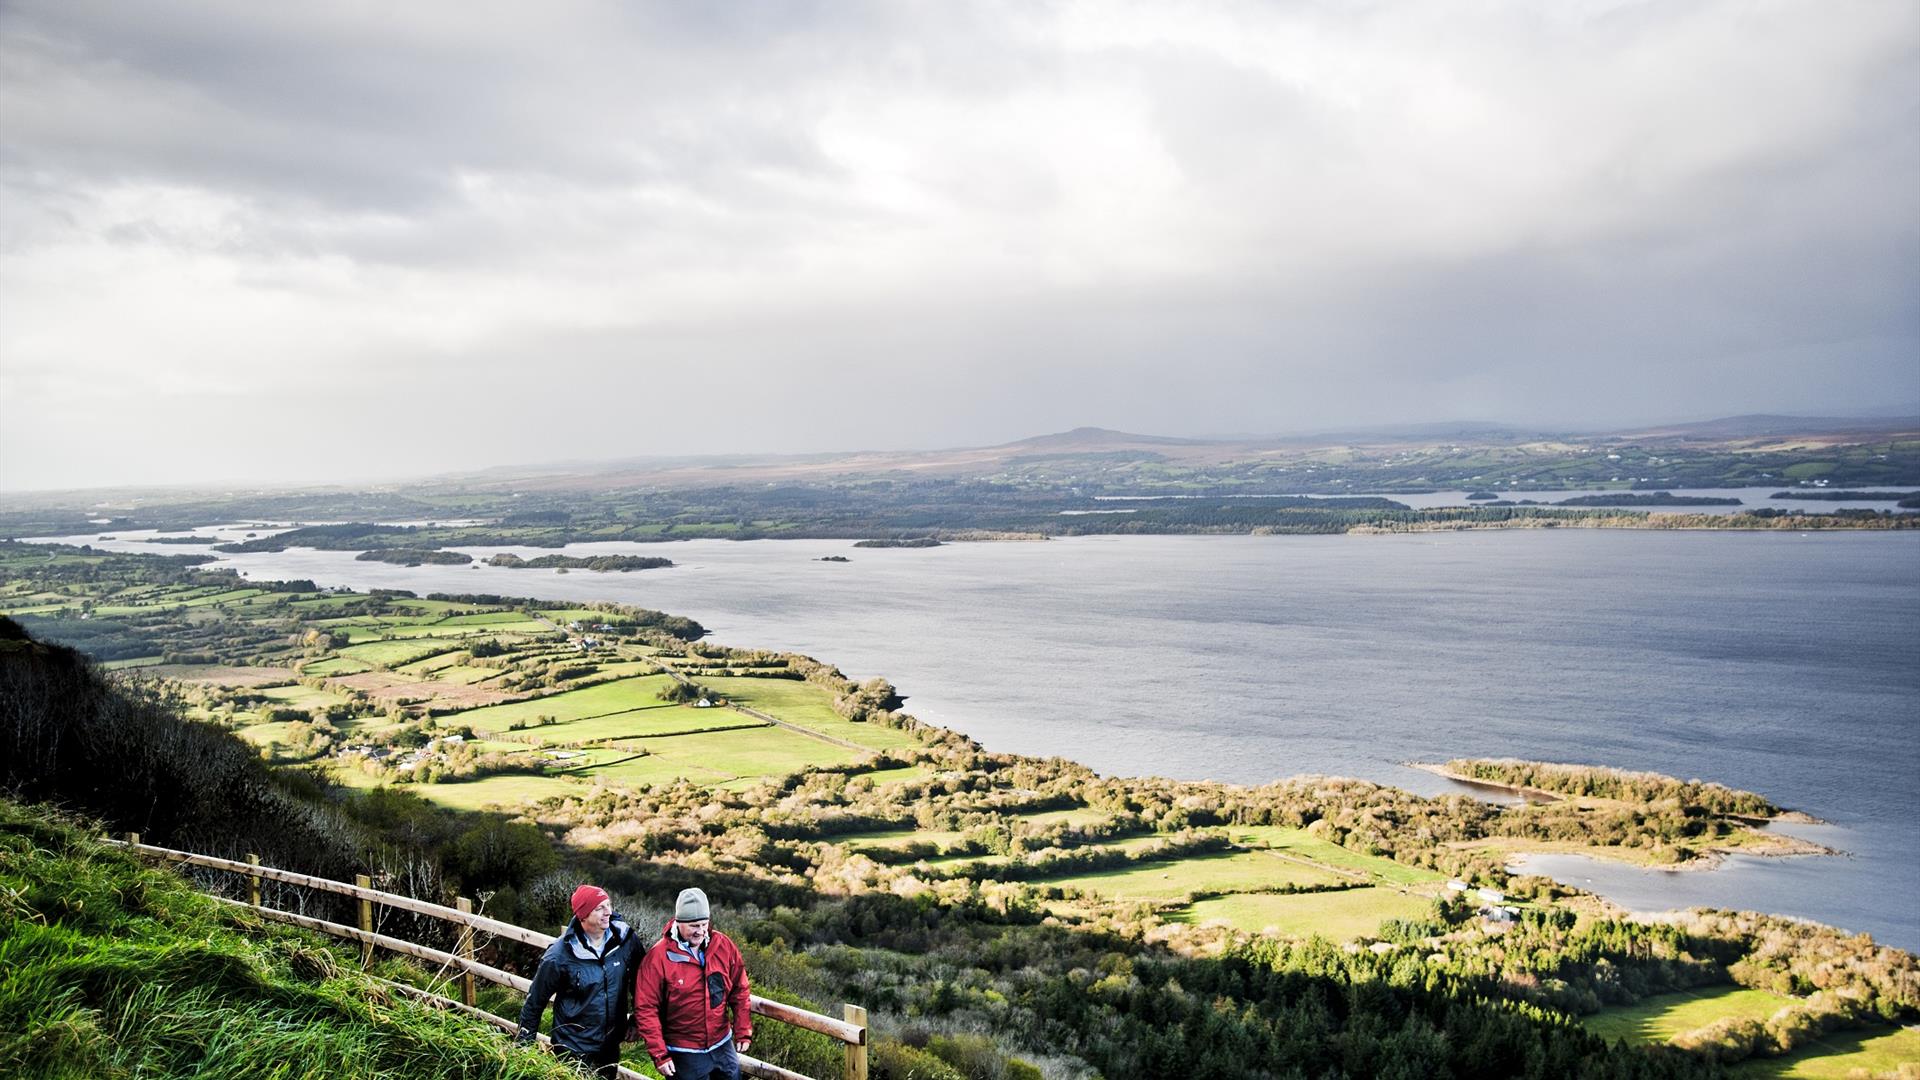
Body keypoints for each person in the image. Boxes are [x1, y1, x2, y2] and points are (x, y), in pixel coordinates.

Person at [516, 884, 640, 1078]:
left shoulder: (625, 940)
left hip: (610, 1045)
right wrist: (522, 1046)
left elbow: (642, 980)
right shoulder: (559, 955)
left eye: (608, 905)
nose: (608, 912)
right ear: (583, 915)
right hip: (571, 1047)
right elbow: (535, 1001)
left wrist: (636, 1021)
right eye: (600, 908)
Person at [631, 887, 752, 1080]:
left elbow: (740, 989)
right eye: (694, 926)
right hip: (683, 1051)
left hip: (722, 1044)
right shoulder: (658, 957)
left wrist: (743, 1029)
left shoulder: (723, 945)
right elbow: (646, 1008)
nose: (701, 931)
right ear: (679, 922)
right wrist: (660, 1054)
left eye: (704, 924)